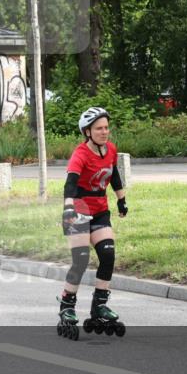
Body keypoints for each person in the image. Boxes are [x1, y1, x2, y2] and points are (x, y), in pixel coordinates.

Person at [56, 107, 129, 340]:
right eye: (99, 128)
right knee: (81, 260)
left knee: (108, 255)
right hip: (78, 210)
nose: (104, 131)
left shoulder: (111, 150)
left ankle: (99, 305)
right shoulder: (80, 154)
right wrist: (68, 207)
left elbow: (114, 176)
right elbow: (70, 184)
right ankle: (67, 305)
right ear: (87, 131)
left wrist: (122, 201)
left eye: (106, 127)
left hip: (100, 211)